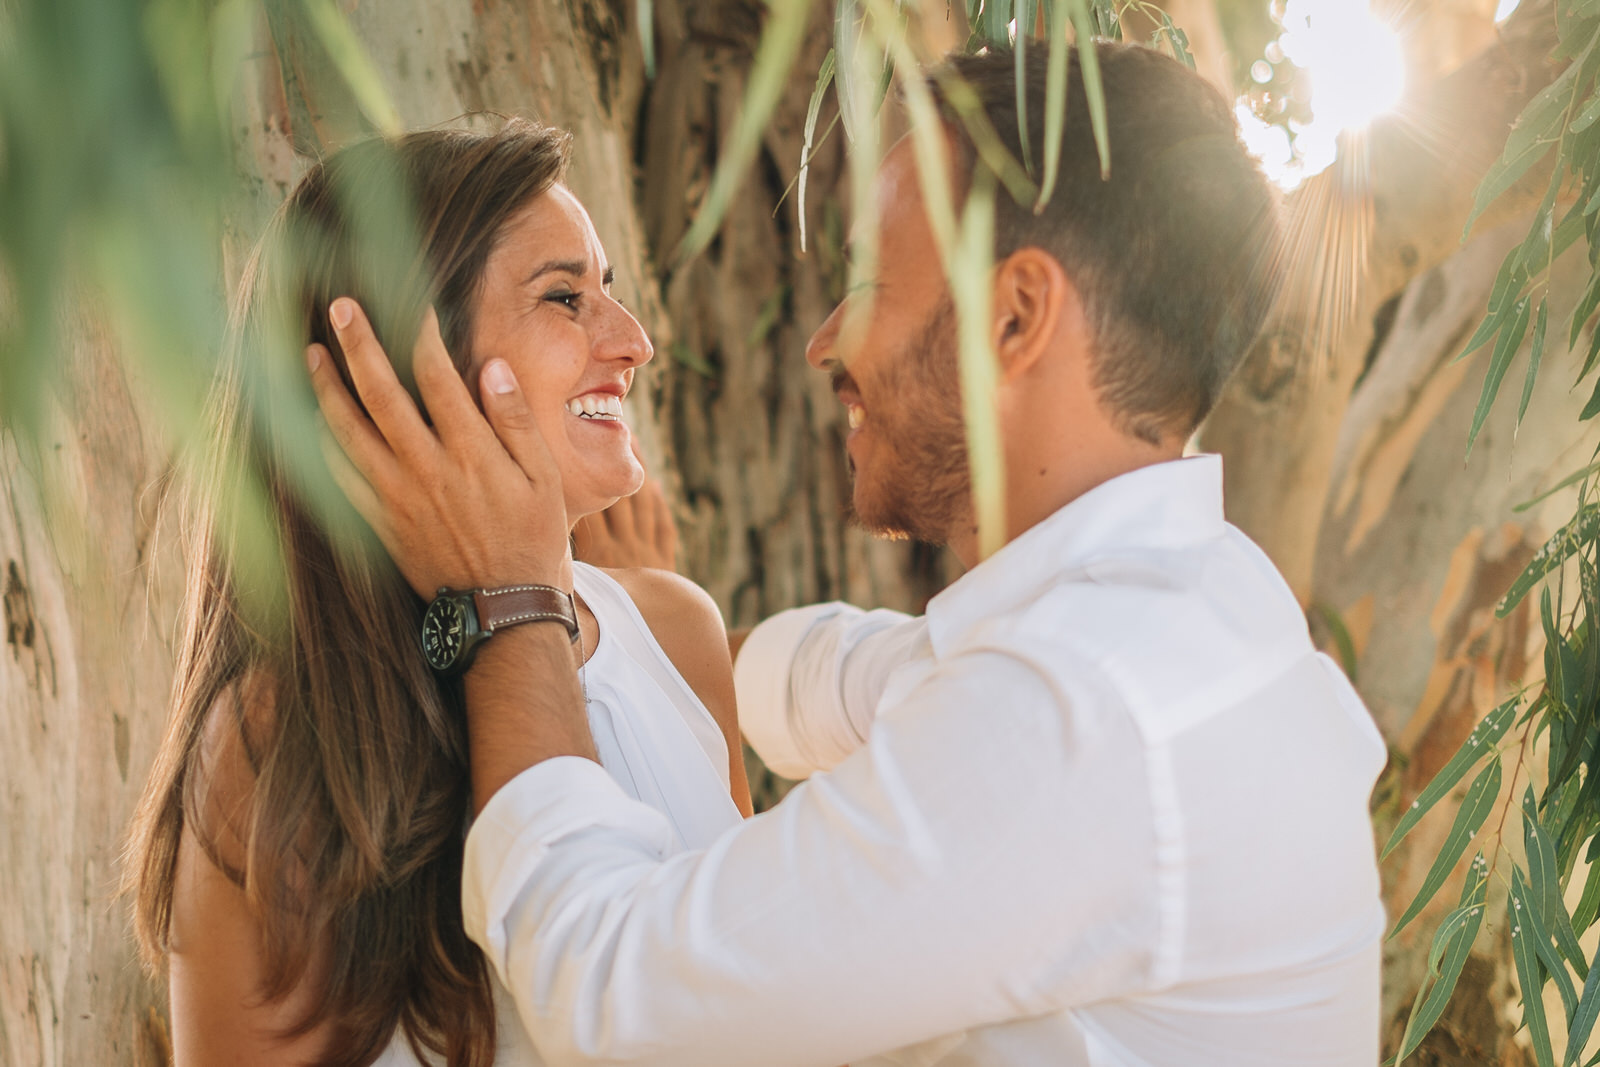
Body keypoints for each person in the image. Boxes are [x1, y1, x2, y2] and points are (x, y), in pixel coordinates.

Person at [312, 43, 1387, 1067]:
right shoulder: (1192, 608)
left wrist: (506, 604)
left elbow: (609, 990)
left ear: (1013, 316)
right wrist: (639, 637)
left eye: (873, 278)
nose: (826, 337)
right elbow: (851, 672)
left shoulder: (1075, 715)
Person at [125, 119, 751, 1066]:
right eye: (565, 298)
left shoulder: (679, 633)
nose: (634, 342)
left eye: (609, 292)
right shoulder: (285, 735)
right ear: (405, 366)